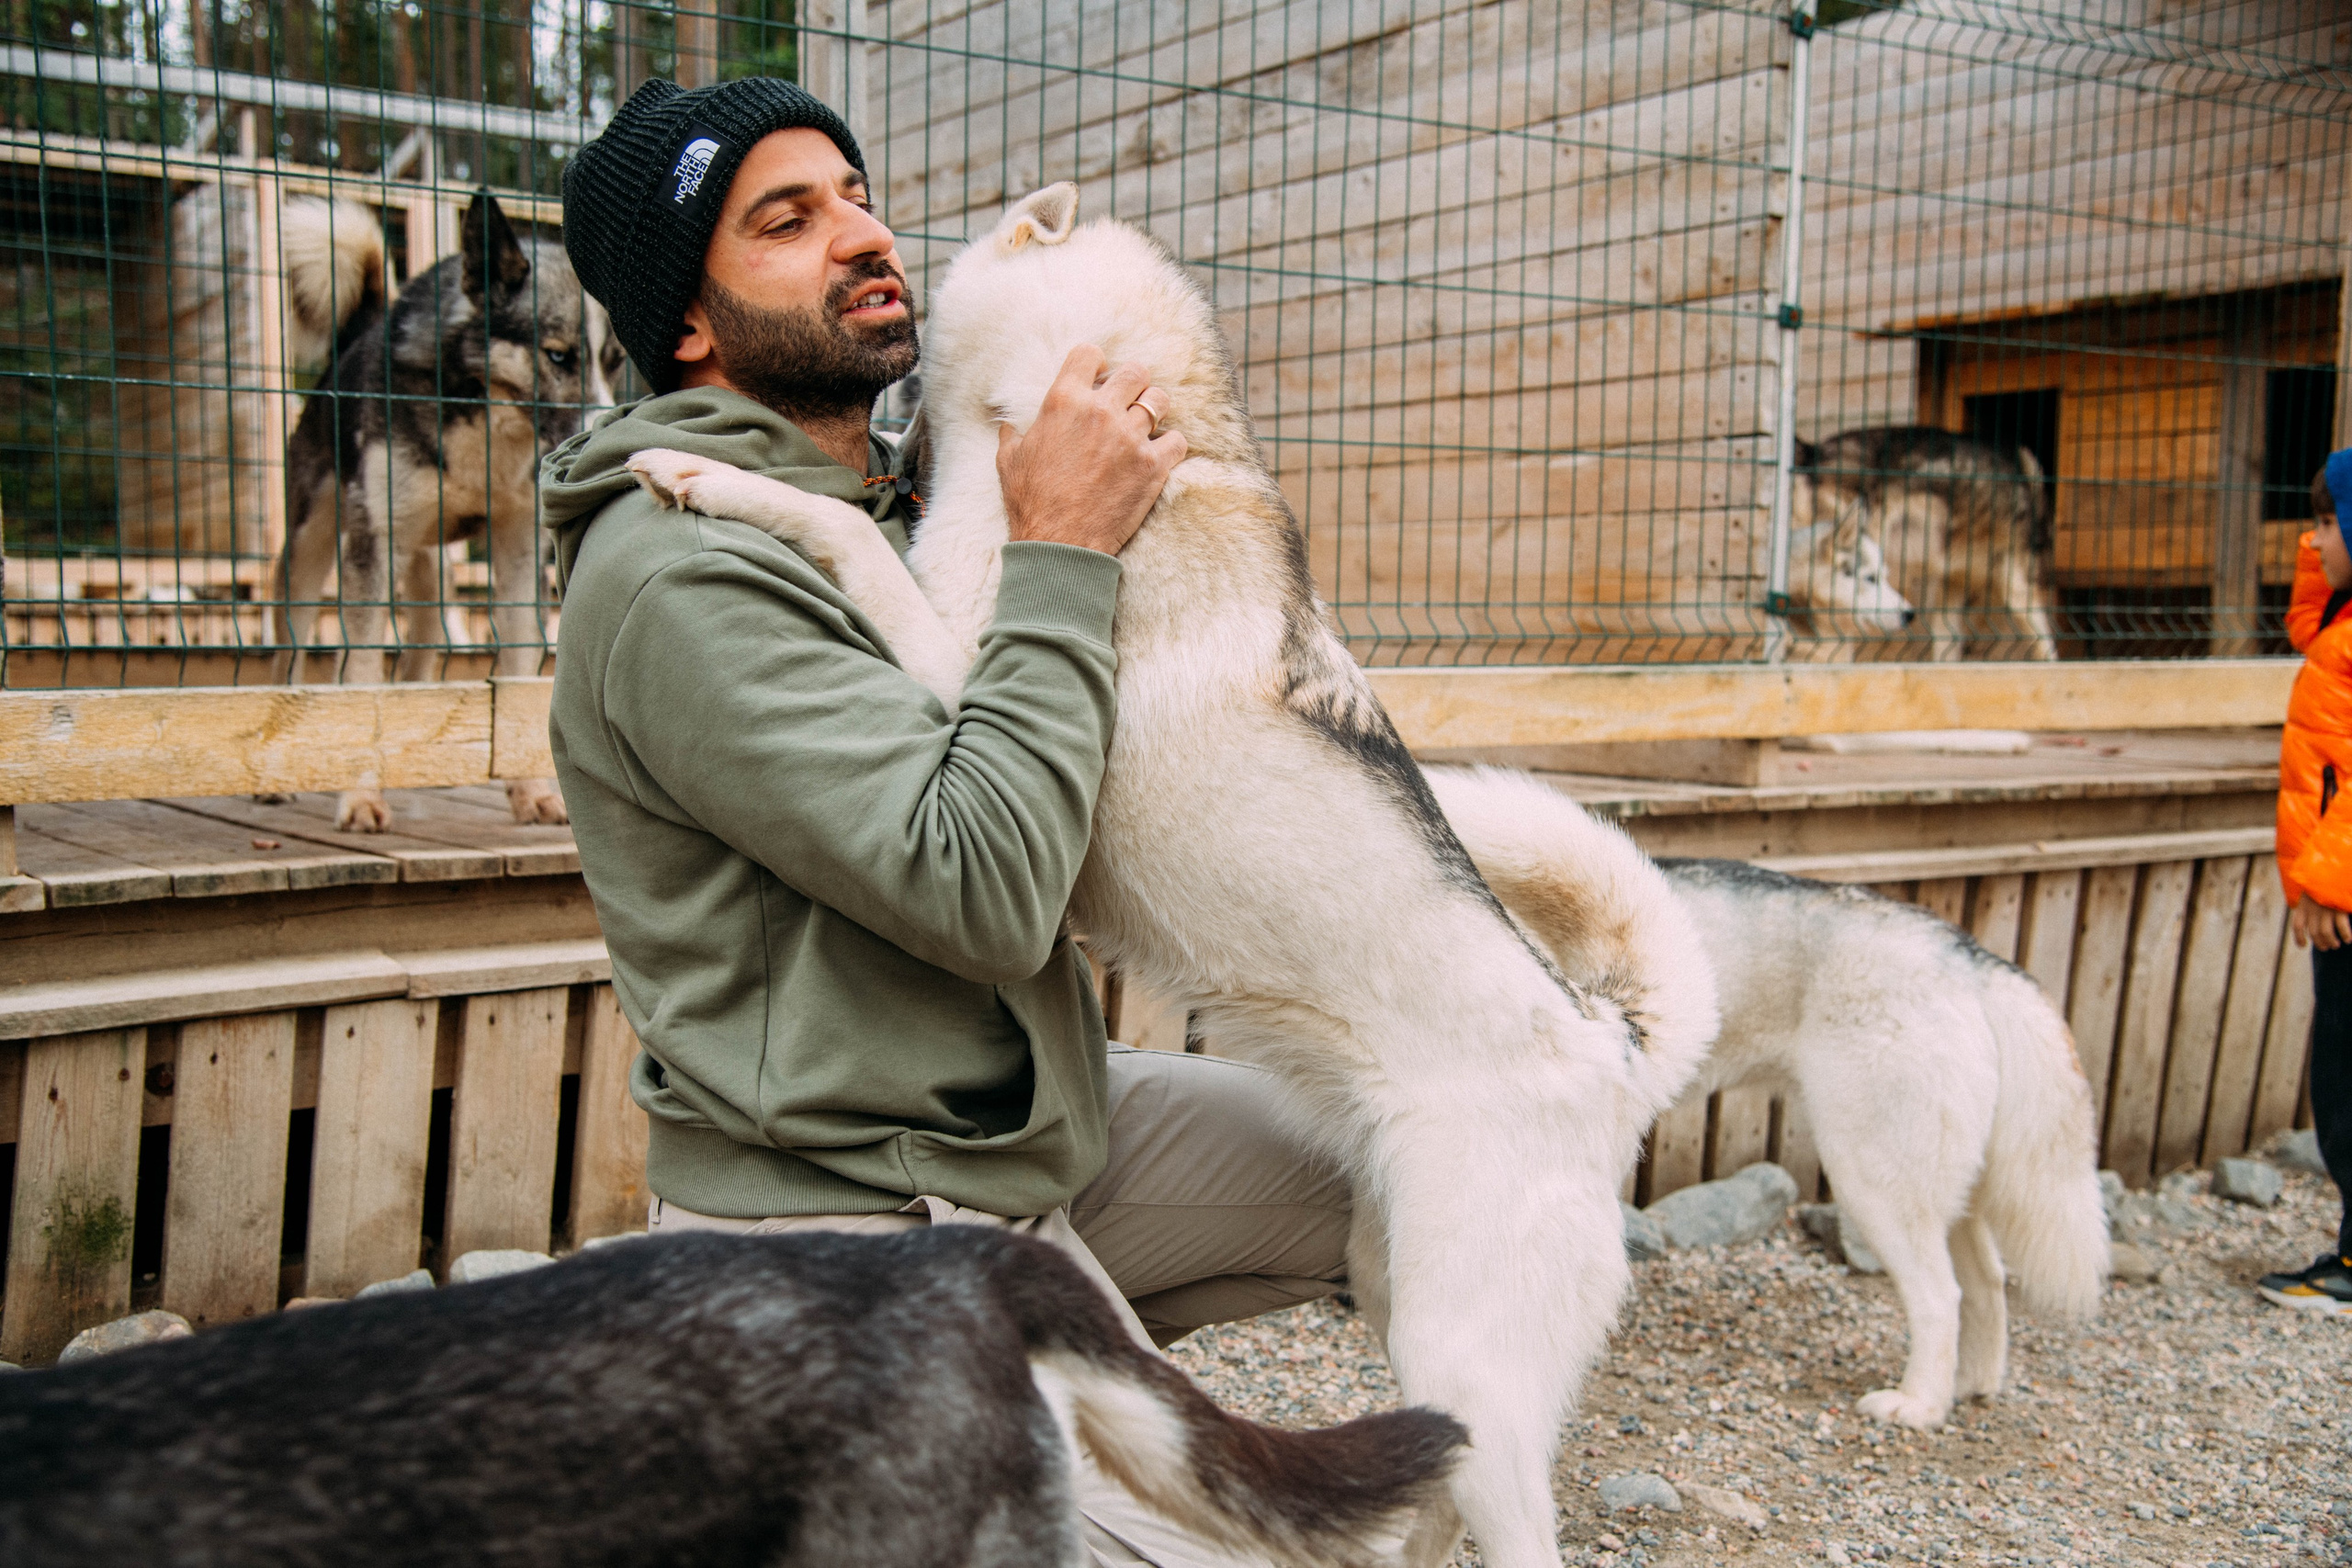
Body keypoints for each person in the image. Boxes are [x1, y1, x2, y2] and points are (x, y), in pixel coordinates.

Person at [545, 79, 1351, 1562]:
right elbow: (983, 887)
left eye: (856, 193)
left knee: (1379, 1157)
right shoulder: (680, 576)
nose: (864, 235)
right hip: (850, 1227)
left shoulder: (904, 505)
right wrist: (1061, 551)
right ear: (688, 327)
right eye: (786, 220)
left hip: (1015, 1132)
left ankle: (1081, 1375)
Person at [2258, 446, 2352, 1316]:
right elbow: (2304, 624)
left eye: (2324, 525)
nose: (2313, 542)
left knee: (2348, 1071)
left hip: (2349, 903)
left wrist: (2326, 881)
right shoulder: (2342, 624)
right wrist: (2326, 537)